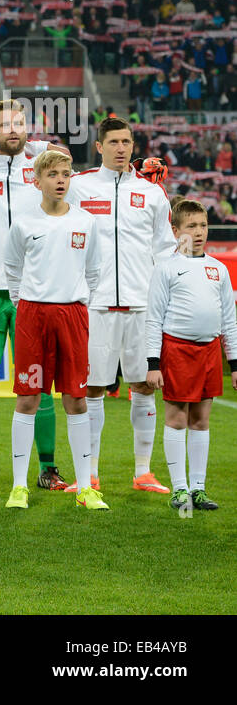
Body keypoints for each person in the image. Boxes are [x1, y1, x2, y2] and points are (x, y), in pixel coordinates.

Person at [0, 99, 70, 491]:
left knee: (37, 380)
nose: (14, 130)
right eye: (5, 124)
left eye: (20, 123)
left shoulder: (41, 171)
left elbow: (76, 178)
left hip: (34, 294)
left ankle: (49, 468)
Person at [65, 117, 176, 493]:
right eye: (113, 142)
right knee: (92, 388)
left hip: (142, 306)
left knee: (144, 386)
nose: (120, 148)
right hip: (93, 306)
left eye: (126, 141)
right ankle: (90, 474)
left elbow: (164, 250)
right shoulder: (78, 187)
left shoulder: (151, 193)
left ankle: (143, 472)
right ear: (98, 147)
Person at [2, 150, 105, 511]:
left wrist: (77, 304)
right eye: (53, 174)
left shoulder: (86, 221)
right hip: (32, 315)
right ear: (37, 181)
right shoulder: (24, 223)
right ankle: (18, 487)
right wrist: (23, 303)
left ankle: (84, 488)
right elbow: (11, 266)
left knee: (76, 398)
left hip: (73, 315)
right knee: (28, 397)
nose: (60, 180)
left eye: (65, 174)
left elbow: (94, 271)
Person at [145, 200, 237, 513]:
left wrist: (234, 363)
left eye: (203, 225)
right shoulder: (167, 268)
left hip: (210, 351)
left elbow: (229, 320)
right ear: (176, 231)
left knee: (201, 421)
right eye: (191, 226)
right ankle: (180, 489)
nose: (198, 232)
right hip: (177, 350)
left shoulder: (219, 269)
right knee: (177, 419)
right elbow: (153, 318)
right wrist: (153, 363)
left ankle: (198, 488)